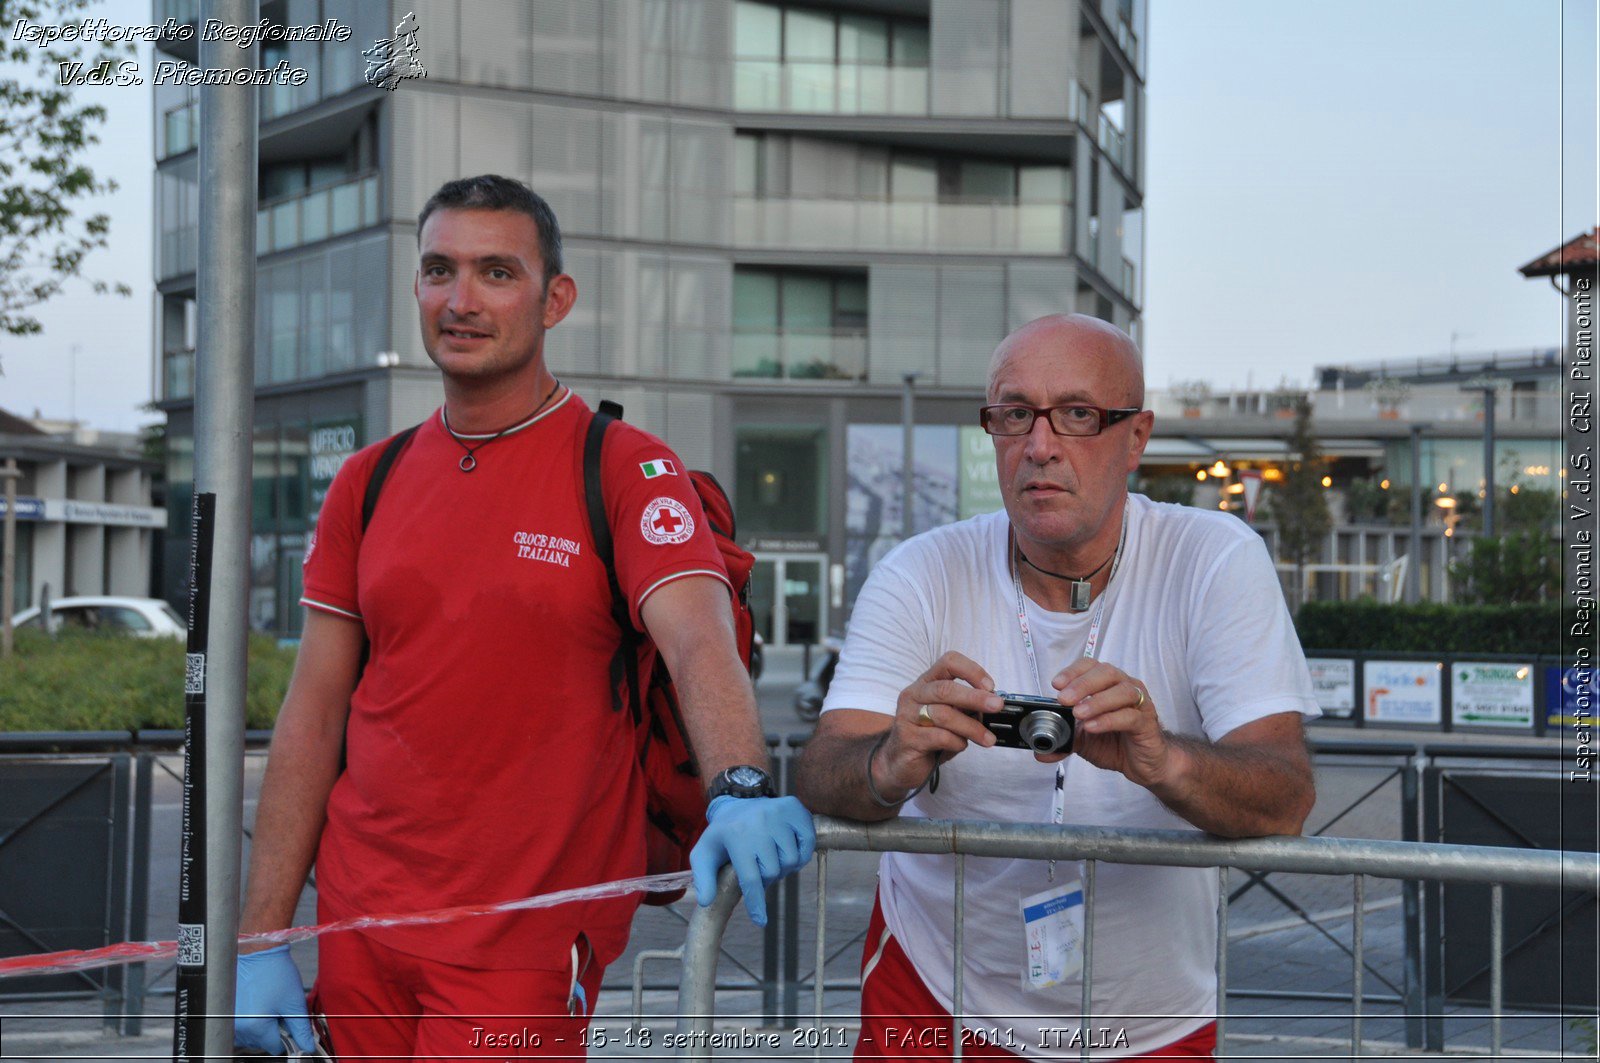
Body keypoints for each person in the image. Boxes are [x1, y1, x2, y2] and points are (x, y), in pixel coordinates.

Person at [233, 175, 814, 1059]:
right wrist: (262, 935)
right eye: (439, 270)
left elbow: (698, 640)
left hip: (523, 947)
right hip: (358, 929)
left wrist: (737, 784)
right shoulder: (369, 480)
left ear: (555, 300)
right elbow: (312, 714)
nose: (460, 300)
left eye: (496, 272)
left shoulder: (620, 467)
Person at [794, 314, 1318, 1061]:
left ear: (1137, 436)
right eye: (1015, 414)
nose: (1040, 446)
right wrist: (888, 760)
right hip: (935, 996)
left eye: (1076, 414)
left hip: (1147, 1022)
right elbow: (822, 767)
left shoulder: (1212, 559)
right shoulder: (922, 570)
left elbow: (1286, 794)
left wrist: (1160, 757)